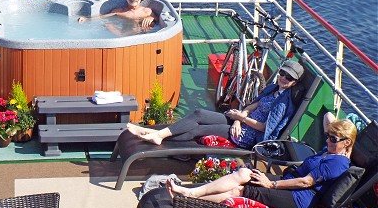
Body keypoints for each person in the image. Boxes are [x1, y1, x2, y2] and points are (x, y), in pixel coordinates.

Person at [165, 113, 357, 208]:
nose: (328, 140)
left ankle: (189, 197)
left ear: (346, 142)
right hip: (289, 182)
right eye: (328, 136)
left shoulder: (338, 163)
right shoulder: (332, 149)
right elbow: (328, 117)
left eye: (333, 138)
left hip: (299, 199)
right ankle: (190, 194)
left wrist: (270, 184)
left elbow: (306, 182)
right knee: (243, 174)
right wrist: (339, 133)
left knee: (241, 191)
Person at [126, 60, 305, 149]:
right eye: (283, 73)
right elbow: (254, 105)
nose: (283, 78)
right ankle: (156, 134)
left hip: (246, 135)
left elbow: (264, 127)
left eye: (289, 78)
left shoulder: (283, 103)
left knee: (197, 130)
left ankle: (155, 135)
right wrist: (239, 117)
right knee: (198, 114)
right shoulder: (273, 88)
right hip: (240, 123)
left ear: (294, 83)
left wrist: (240, 120)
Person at [77, 0, 158, 30]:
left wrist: (151, 18)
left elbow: (159, 21)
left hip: (142, 35)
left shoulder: (147, 11)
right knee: (108, 25)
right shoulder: (119, 11)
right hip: (125, 34)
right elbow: (102, 17)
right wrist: (87, 19)